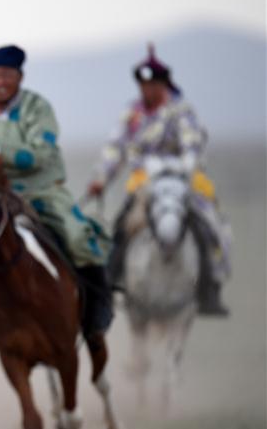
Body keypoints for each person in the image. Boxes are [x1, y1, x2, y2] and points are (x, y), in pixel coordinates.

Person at [0, 45, 112, 354]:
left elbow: (40, 153)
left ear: (19, 76)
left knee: (78, 235)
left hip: (40, 191)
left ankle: (96, 314)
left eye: (6, 75)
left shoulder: (37, 109)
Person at [86, 44, 230, 316]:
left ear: (164, 83)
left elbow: (192, 143)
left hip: (181, 178)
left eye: (153, 83)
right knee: (123, 224)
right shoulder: (132, 113)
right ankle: (111, 281)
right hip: (145, 180)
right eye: (143, 84)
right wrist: (101, 179)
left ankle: (210, 286)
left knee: (207, 222)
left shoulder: (180, 111)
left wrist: (185, 167)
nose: (148, 89)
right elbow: (115, 149)